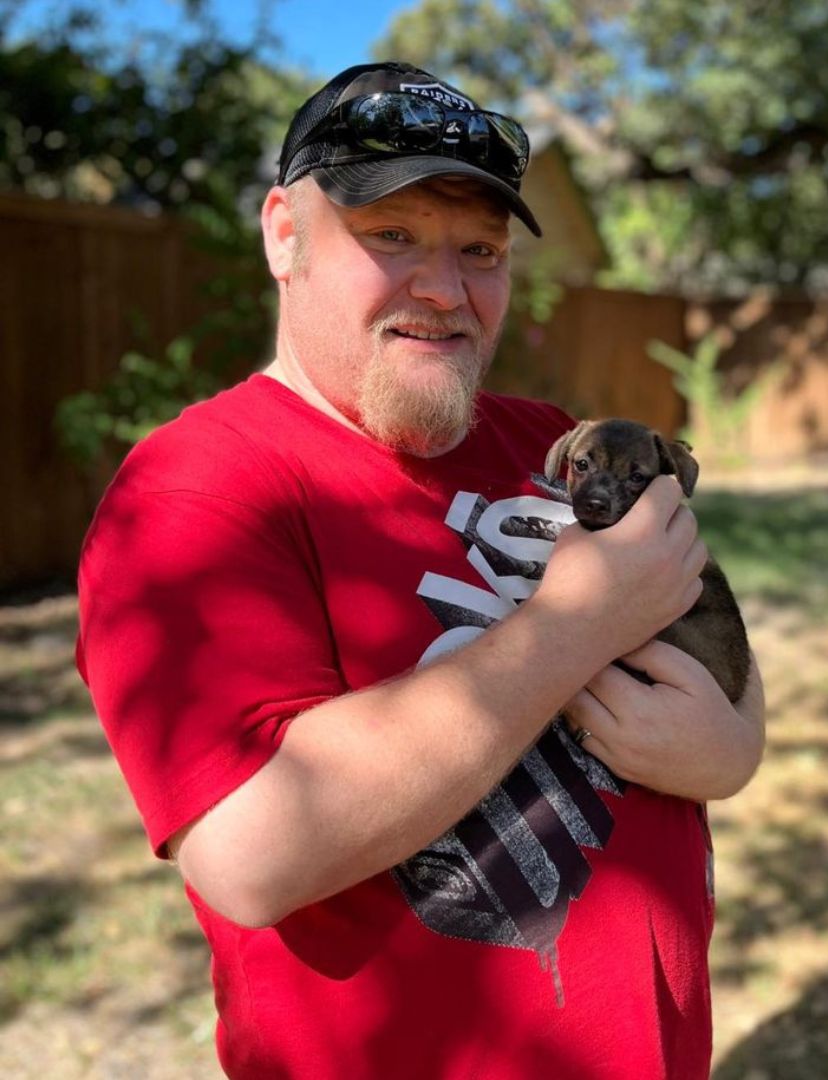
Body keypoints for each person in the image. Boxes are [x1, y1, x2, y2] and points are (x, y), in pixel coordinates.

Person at [74, 62, 764, 1078]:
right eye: (391, 237)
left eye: (479, 251)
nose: (445, 289)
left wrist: (729, 750)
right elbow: (251, 854)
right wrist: (573, 626)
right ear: (284, 235)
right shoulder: (196, 489)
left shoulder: (553, 445)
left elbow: (715, 645)